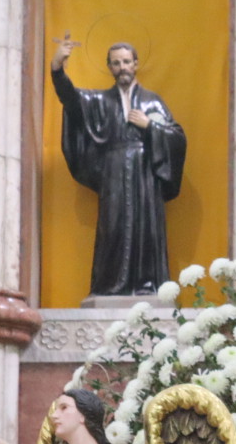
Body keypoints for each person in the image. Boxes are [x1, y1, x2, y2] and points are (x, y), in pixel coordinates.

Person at [52, 33, 187, 297]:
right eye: (116, 63)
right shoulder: (100, 101)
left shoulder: (152, 101)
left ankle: (148, 286)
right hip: (113, 172)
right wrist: (58, 68)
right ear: (110, 67)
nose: (122, 67)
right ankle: (110, 287)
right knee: (112, 228)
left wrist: (150, 126)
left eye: (126, 62)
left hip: (145, 172)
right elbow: (70, 99)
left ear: (136, 64)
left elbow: (178, 138)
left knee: (146, 228)